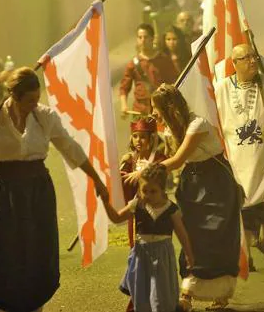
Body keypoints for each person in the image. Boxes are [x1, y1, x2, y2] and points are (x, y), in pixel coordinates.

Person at [0, 67, 109, 312]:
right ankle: (5, 306)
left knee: (35, 250)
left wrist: (97, 181)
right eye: (29, 100)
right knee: (4, 250)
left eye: (37, 99)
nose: (34, 104)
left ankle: (34, 306)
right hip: (2, 193)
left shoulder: (45, 116)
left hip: (37, 191)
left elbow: (70, 149)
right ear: (13, 97)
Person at [151, 84, 241, 311]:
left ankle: (221, 294)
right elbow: (175, 160)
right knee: (190, 234)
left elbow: (177, 160)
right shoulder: (171, 129)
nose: (153, 114)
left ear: (168, 108)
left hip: (216, 181)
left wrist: (146, 172)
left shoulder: (197, 124)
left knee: (217, 235)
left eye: (156, 109)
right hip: (191, 182)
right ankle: (187, 292)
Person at [214, 44, 264, 271]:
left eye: (253, 56)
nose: (252, 60)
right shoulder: (222, 89)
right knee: (245, 209)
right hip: (238, 160)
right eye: (245, 58)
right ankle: (246, 255)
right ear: (234, 63)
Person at [99, 163, 194, 312]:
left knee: (161, 297)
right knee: (142, 296)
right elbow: (117, 218)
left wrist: (189, 254)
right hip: (141, 256)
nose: (147, 195)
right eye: (144, 190)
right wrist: (105, 201)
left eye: (153, 191)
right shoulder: (137, 205)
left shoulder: (171, 209)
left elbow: (181, 233)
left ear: (163, 190)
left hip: (162, 258)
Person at [119, 117, 166, 248]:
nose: (138, 141)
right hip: (135, 209)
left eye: (143, 137)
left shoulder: (159, 158)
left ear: (152, 138)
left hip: (155, 207)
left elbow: (161, 173)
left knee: (154, 243)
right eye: (135, 136)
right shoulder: (131, 159)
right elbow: (122, 181)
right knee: (135, 243)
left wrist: (142, 173)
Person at [119, 24, 179, 118]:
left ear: (152, 38)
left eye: (146, 37)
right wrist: (124, 105)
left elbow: (174, 83)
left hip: (161, 111)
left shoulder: (164, 60)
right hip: (140, 111)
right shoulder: (133, 63)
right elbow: (124, 88)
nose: (143, 40)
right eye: (140, 37)